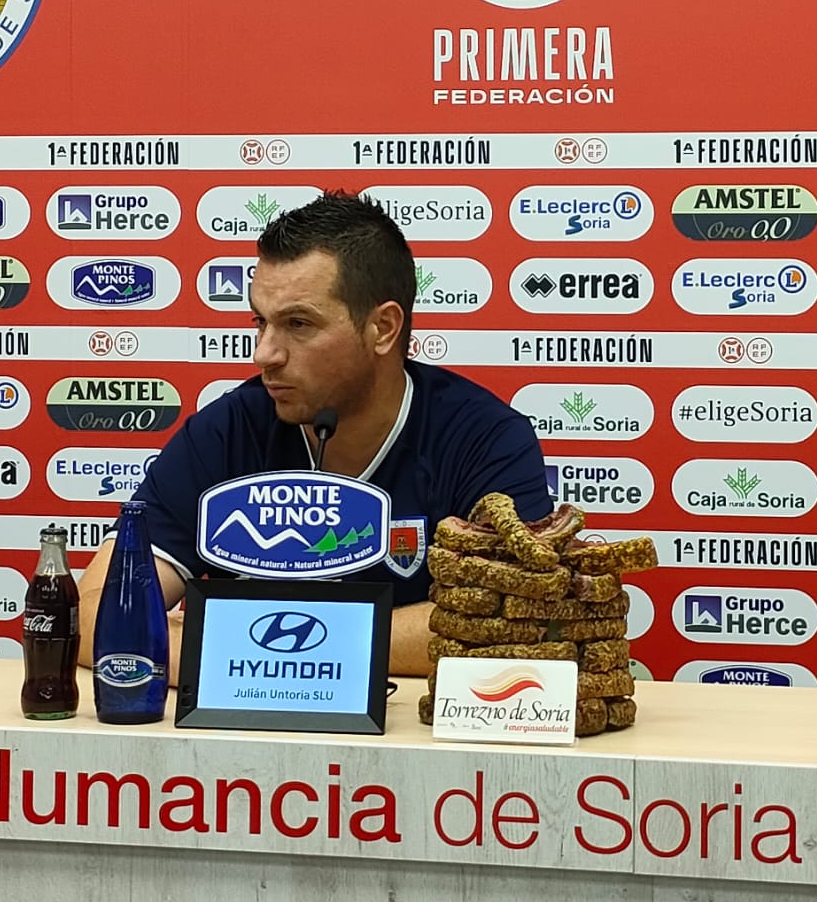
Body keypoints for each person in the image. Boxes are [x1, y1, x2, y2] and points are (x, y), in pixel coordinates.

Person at [75, 190, 553, 677]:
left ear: (383, 328)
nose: (265, 354)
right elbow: (96, 615)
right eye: (260, 322)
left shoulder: (483, 438)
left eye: (298, 324)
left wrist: (258, 643)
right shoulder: (227, 431)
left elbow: (512, 622)